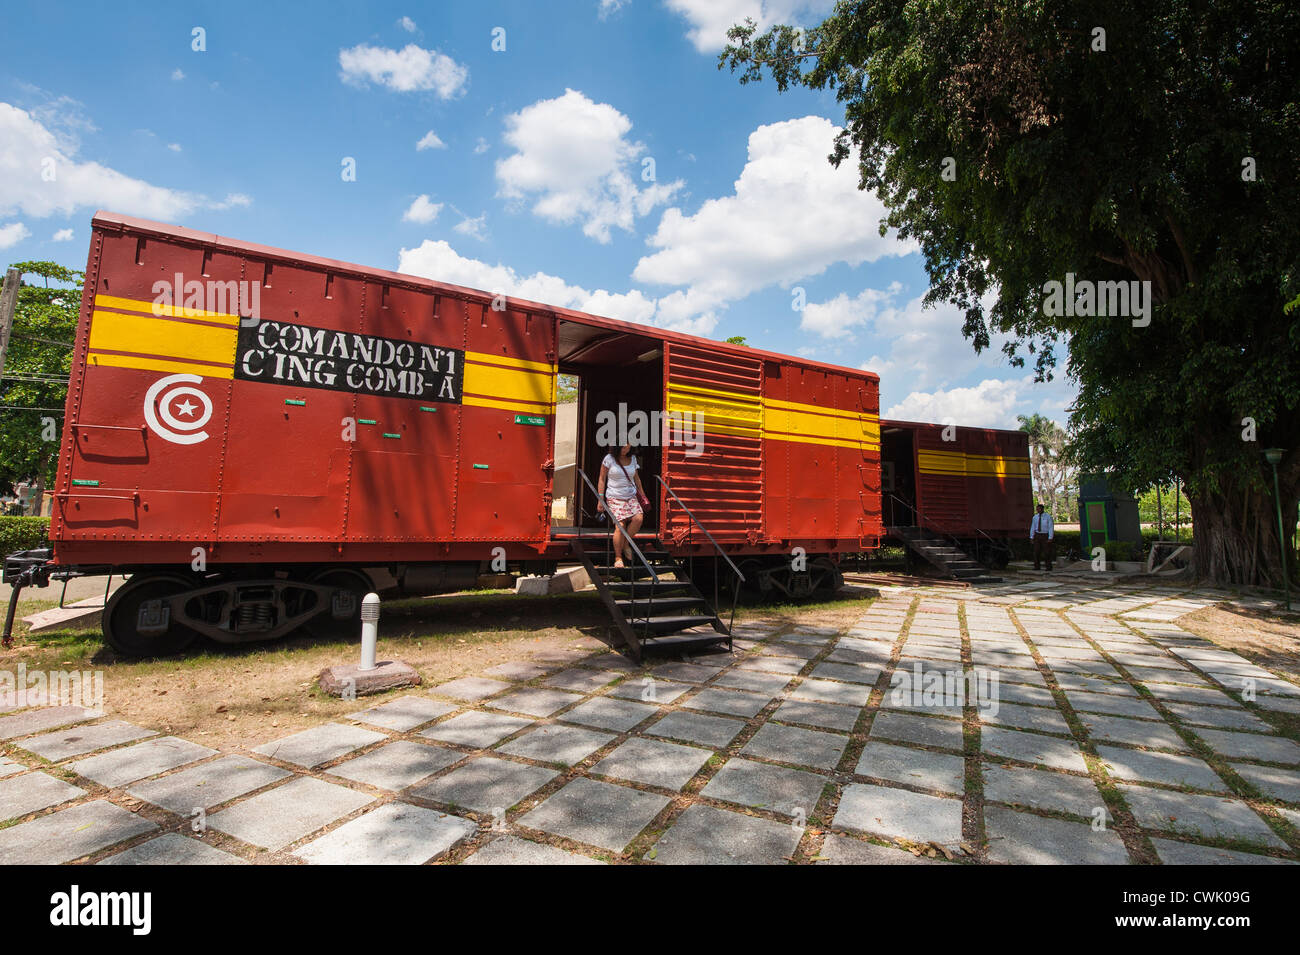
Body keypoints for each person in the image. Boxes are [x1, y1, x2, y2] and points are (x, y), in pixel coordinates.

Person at [597, 443, 650, 568]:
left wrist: (643, 496)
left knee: (638, 519)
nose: (625, 450)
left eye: (628, 447)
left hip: (630, 496)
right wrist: (600, 499)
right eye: (623, 447)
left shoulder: (632, 459)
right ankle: (618, 557)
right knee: (620, 526)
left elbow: (636, 479)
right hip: (614, 497)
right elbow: (602, 478)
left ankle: (626, 543)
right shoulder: (609, 459)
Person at [1030, 503, 1055, 571]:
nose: (1038, 510)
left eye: (1039, 509)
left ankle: (1048, 567)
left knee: (1047, 552)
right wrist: (1031, 537)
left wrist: (1050, 537)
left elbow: (1050, 527)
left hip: (1045, 535)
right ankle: (1037, 566)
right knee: (1036, 552)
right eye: (1037, 509)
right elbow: (1033, 527)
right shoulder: (1035, 517)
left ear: (1042, 509)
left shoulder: (1048, 517)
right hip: (1037, 535)